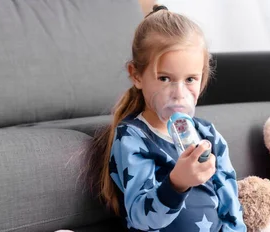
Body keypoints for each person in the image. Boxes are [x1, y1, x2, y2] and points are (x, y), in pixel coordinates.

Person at [86, 5, 246, 232]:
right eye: (164, 78)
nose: (179, 93)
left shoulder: (209, 135)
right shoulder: (133, 137)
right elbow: (142, 217)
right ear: (136, 75)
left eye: (190, 79)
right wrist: (177, 184)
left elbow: (230, 206)